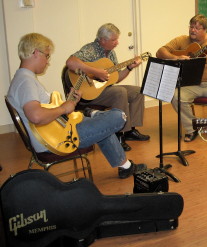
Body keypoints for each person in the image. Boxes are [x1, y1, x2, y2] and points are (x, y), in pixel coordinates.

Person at [7, 33, 146, 179]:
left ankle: (126, 167)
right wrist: (64, 108)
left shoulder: (23, 78)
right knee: (118, 116)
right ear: (35, 52)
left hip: (60, 129)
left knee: (103, 125)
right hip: (60, 139)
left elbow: (46, 110)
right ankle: (93, 114)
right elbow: (36, 116)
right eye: (47, 56)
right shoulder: (25, 82)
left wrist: (69, 102)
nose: (48, 62)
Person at [66, 23, 149, 152]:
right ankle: (119, 134)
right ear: (103, 40)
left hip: (103, 90)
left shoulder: (111, 53)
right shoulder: (90, 49)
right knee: (120, 92)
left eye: (117, 39)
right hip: (87, 94)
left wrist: (129, 67)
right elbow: (70, 62)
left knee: (138, 91)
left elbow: (115, 78)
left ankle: (130, 131)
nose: (117, 43)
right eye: (113, 40)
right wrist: (96, 71)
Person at [156, 14, 207, 142]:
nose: (193, 30)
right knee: (176, 97)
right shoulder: (181, 40)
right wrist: (176, 58)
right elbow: (160, 52)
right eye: (191, 27)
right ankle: (191, 128)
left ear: (205, 30)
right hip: (190, 83)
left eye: (197, 28)